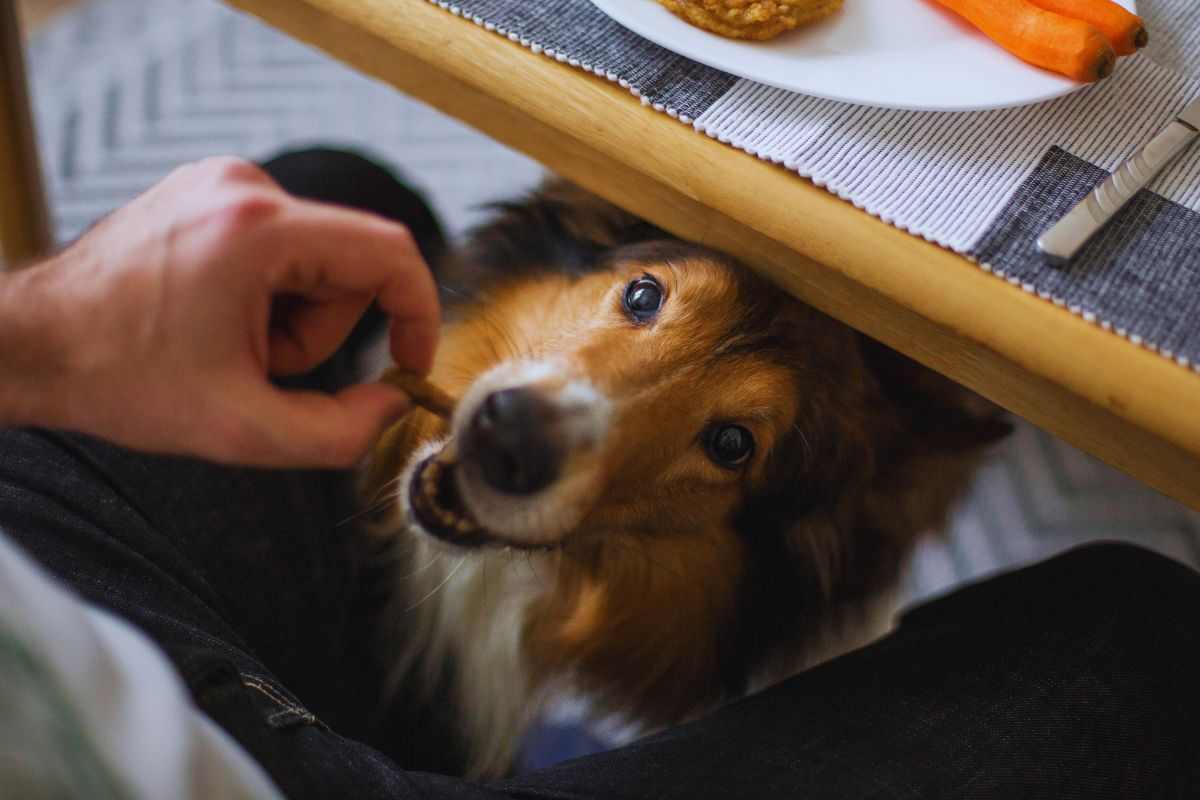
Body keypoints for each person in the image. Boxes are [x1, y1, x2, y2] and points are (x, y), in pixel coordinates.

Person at [0, 149, 1197, 799]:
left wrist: (40, 335)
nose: (551, 417)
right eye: (642, 298)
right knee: (1142, 637)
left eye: (731, 442)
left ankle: (401, 695)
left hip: (35, 586)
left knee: (340, 199)